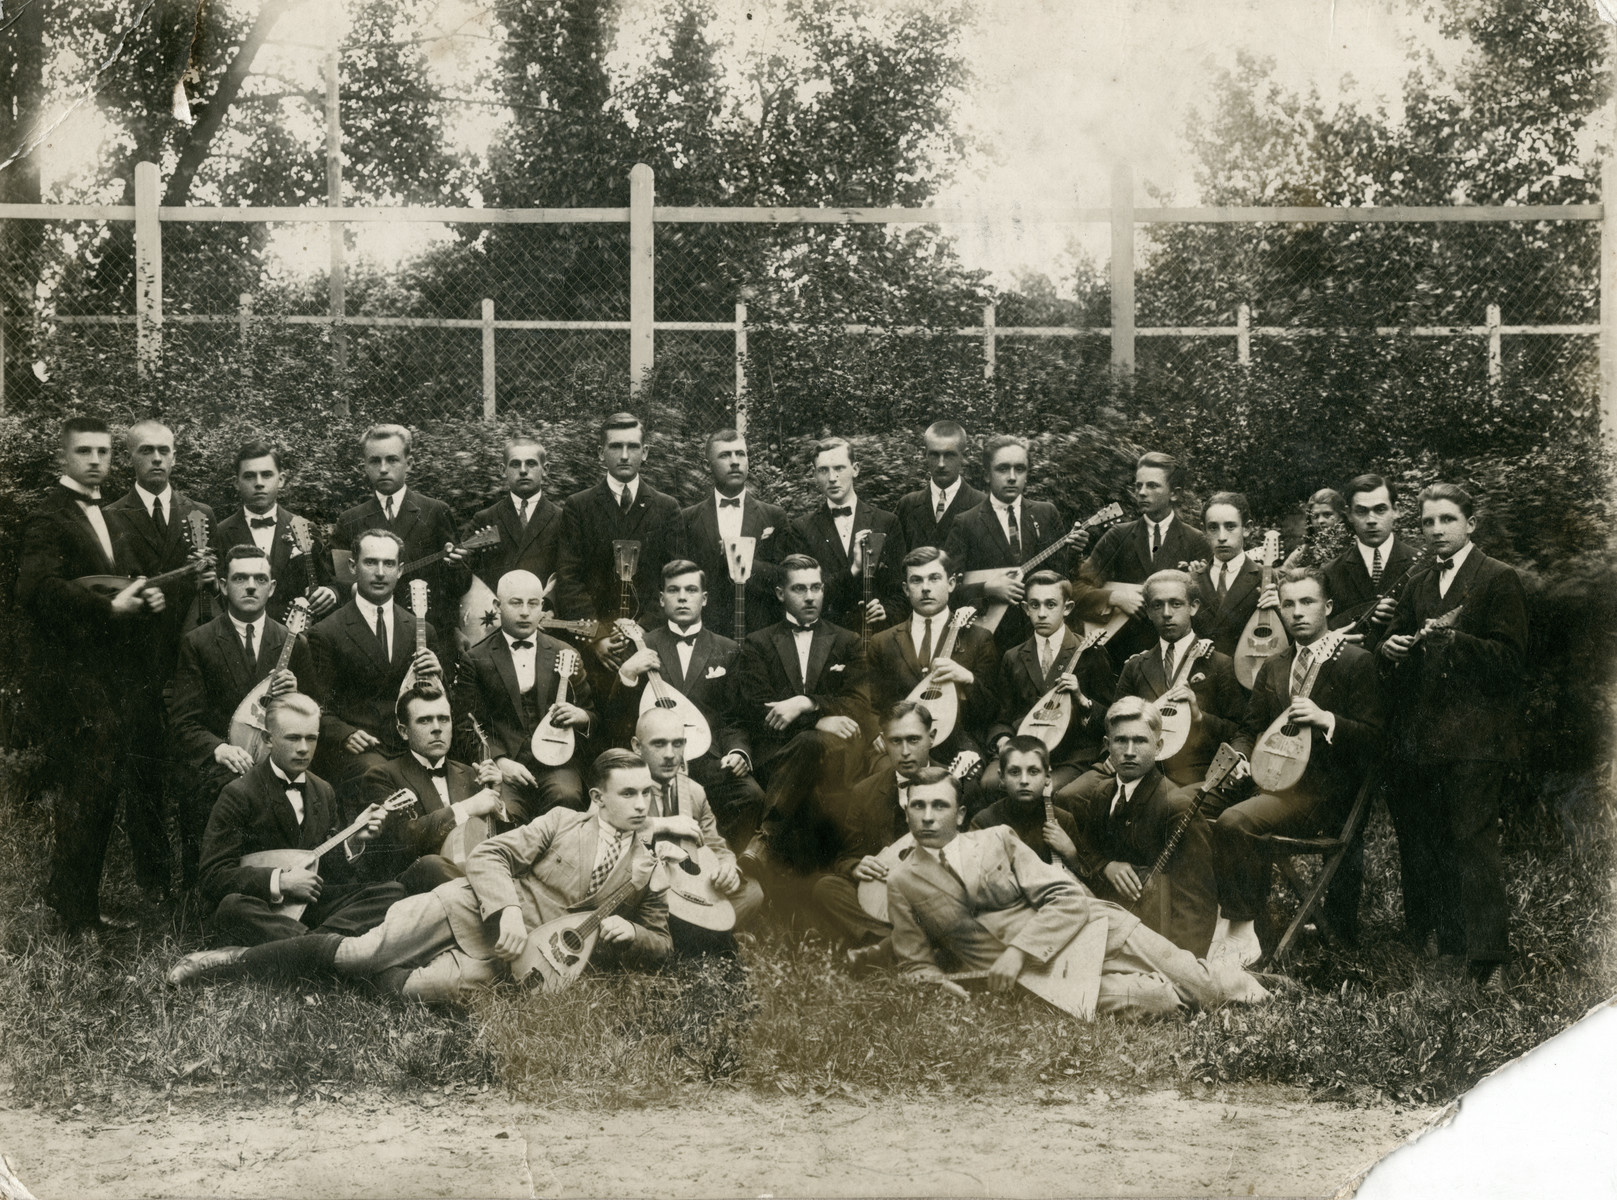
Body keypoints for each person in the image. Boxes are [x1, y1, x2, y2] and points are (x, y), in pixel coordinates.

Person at [169, 749, 671, 1002]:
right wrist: (509, 910)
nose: (640, 804)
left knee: (411, 991)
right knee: (358, 952)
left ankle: (331, 970)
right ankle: (229, 962)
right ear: (599, 798)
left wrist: (634, 934)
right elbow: (489, 856)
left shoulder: (651, 859)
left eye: (646, 794)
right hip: (468, 909)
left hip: (523, 963)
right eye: (628, 794)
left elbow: (662, 941)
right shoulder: (562, 821)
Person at [884, 768, 1274, 1016]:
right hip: (1047, 978)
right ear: (907, 813)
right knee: (1160, 1001)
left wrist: (1018, 951)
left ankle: (1251, 987)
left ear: (961, 813)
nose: (929, 816)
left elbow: (1067, 899)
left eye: (940, 805)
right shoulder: (902, 882)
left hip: (1096, 931)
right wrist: (938, 982)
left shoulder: (997, 840)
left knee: (1202, 986)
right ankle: (1192, 981)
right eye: (919, 806)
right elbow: (913, 961)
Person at [16, 416, 168, 935]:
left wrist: (147, 597)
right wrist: (109, 611)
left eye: (104, 451)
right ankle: (75, 910)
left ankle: (75, 897)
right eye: (85, 451)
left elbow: (118, 584)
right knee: (89, 785)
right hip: (68, 678)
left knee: (100, 788)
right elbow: (38, 592)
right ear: (64, 458)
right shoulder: (46, 518)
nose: (97, 460)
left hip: (109, 676)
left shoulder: (111, 515)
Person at [1380, 484, 1526, 990]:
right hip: (1422, 739)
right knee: (1429, 844)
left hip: (1476, 740)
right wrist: (1392, 647)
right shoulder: (1418, 582)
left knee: (1472, 843)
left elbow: (1511, 662)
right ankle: (1449, 947)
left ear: (1471, 523)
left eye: (1447, 519)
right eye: (1427, 522)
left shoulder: (1498, 578)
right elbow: (1389, 649)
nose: (1437, 530)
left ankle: (1492, 959)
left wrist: (1456, 642)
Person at [1217, 568, 1384, 963]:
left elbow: (1378, 741)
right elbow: (1250, 728)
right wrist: (1241, 756)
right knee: (1206, 809)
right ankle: (1250, 928)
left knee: (1234, 822)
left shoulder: (1355, 662)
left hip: (1326, 799)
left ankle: (1241, 936)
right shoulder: (1275, 665)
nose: (1297, 612)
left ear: (1327, 607)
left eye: (1307, 602)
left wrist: (1327, 719)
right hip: (1272, 786)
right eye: (1288, 604)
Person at [104, 417, 218, 902]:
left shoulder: (200, 513)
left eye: (164, 450)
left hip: (191, 665)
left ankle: (197, 878)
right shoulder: (111, 517)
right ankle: (155, 885)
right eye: (145, 450)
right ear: (129, 458)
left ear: (175, 456)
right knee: (144, 778)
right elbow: (115, 591)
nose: (156, 458)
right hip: (138, 667)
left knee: (196, 773)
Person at [195, 693, 403, 947]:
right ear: (268, 739)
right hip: (265, 908)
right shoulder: (238, 793)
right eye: (293, 738)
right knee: (232, 908)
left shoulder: (323, 790)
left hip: (306, 909)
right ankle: (324, 945)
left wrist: (354, 839)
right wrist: (279, 881)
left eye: (311, 738)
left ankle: (307, 946)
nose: (304, 748)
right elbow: (212, 876)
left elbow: (328, 870)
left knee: (391, 892)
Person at [168, 544, 316, 886]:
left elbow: (317, 712)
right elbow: (183, 720)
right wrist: (219, 749)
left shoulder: (293, 642)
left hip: (281, 757)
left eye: (259, 578)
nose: (250, 586)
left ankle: (286, 882)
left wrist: (297, 695)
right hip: (223, 761)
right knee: (228, 790)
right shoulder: (199, 642)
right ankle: (215, 888)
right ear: (222, 585)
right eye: (240, 578)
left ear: (273, 587)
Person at [609, 559, 764, 850]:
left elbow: (734, 718)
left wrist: (737, 751)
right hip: (653, 761)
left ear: (704, 599)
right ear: (661, 598)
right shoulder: (642, 644)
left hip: (709, 760)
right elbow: (618, 719)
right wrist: (628, 673)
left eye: (691, 590)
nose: (682, 597)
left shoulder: (727, 649)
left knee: (750, 796)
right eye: (674, 590)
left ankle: (723, 866)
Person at [736, 554, 874, 881]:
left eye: (816, 588)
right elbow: (756, 708)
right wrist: (819, 720)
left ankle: (766, 837)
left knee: (813, 749)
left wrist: (806, 703)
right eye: (799, 589)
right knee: (809, 748)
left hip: (835, 757)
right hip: (778, 756)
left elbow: (859, 705)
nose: (810, 596)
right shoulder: (759, 643)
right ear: (781, 593)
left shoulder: (847, 641)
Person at [1058, 698, 1219, 956]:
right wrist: (1107, 866)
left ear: (1159, 747)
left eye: (1141, 741)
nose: (1130, 750)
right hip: (1110, 934)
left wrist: (1181, 964)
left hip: (1158, 945)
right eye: (1121, 740)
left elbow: (1196, 903)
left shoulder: (1176, 807)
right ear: (1107, 746)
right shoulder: (1101, 793)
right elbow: (1090, 854)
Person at [306, 528, 451, 797]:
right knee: (385, 782)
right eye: (370, 562)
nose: (380, 572)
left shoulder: (421, 629)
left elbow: (439, 702)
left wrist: (437, 676)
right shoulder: (326, 632)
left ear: (400, 569)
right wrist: (345, 734)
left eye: (389, 563)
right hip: (361, 749)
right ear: (353, 566)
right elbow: (315, 708)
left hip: (412, 745)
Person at [810, 701, 951, 958]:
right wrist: (856, 866)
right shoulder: (864, 792)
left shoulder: (956, 786)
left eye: (913, 740)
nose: (905, 751)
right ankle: (892, 943)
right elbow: (845, 857)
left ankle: (881, 947)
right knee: (827, 887)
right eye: (896, 741)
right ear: (884, 742)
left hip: (933, 896)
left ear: (931, 738)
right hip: (881, 897)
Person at [455, 569, 596, 818]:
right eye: (515, 603)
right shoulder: (476, 659)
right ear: (498, 606)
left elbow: (592, 716)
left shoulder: (565, 653)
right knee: (503, 813)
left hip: (557, 763)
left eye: (533, 604)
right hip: (505, 763)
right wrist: (499, 761)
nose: (524, 612)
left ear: (542, 606)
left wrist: (580, 716)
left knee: (567, 799)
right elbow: (465, 725)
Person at [553, 412, 682, 671]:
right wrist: (596, 635)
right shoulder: (579, 506)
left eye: (632, 447)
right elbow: (569, 577)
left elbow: (674, 578)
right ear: (601, 453)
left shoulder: (667, 508)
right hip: (594, 646)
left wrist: (643, 631)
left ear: (645, 452)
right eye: (615, 446)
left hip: (650, 642)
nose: (624, 455)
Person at [630, 707, 764, 954]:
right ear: (637, 747)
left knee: (752, 892)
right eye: (659, 744)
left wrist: (728, 868)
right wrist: (663, 824)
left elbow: (715, 845)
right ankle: (712, 940)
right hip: (645, 890)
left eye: (677, 744)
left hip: (686, 892)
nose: (671, 755)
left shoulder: (694, 792)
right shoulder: (624, 784)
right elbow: (604, 832)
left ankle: (686, 940)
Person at [944, 434, 1085, 656]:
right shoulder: (966, 522)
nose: (1012, 477)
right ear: (987, 474)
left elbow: (1064, 578)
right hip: (990, 642)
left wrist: (1075, 551)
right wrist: (986, 590)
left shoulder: (1046, 513)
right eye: (1003, 469)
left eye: (1020, 469)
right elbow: (947, 590)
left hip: (1040, 637)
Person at [358, 685, 507, 894]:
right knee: (432, 865)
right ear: (403, 731)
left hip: (474, 877)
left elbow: (501, 845)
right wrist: (466, 808)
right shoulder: (382, 776)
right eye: (425, 720)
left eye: (444, 719)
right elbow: (401, 840)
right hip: (418, 888)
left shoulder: (472, 774)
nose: (437, 728)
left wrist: (497, 798)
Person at [1072, 451, 1212, 669]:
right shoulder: (1118, 535)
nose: (1142, 493)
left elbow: (1207, 609)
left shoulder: (1196, 541)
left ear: (1174, 494)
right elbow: (1077, 589)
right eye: (1138, 486)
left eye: (1152, 486)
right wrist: (1115, 597)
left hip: (1175, 659)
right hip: (1119, 656)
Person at [331, 424, 470, 641]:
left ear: (409, 463)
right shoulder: (350, 520)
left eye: (392, 459)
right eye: (375, 461)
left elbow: (459, 585)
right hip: (368, 634)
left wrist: (456, 565)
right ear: (365, 466)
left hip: (427, 632)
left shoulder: (434, 511)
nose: (383, 468)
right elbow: (340, 582)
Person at [982, 571, 1114, 797]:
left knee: (1050, 791)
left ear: (1068, 608)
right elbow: (1001, 716)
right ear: (1025, 609)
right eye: (1035, 605)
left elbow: (1110, 716)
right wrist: (1003, 739)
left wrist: (1082, 699)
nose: (1041, 613)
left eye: (1051, 605)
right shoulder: (1013, 657)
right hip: (1023, 750)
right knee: (990, 783)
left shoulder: (1090, 652)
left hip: (1070, 756)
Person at [1110, 569, 1244, 787]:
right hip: (1139, 769)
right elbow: (1114, 723)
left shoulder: (1220, 663)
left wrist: (1199, 717)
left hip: (1193, 774)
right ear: (1149, 612)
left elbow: (1238, 730)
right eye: (1157, 605)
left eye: (1176, 604)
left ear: (1193, 607)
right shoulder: (1136, 665)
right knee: (1074, 795)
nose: (1166, 613)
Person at [866, 546, 1001, 762]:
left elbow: (993, 709)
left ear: (951, 584)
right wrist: (877, 733)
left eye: (934, 578)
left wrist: (968, 679)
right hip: (899, 748)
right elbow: (870, 704)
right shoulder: (882, 642)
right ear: (905, 589)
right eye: (916, 580)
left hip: (958, 747)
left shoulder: (978, 638)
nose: (925, 588)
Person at [670, 428, 789, 638]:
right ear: (708, 466)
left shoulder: (774, 516)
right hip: (706, 634)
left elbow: (785, 579)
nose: (735, 462)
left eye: (740, 454)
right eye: (725, 455)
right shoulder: (688, 518)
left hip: (761, 634)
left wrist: (742, 560)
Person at [211, 439, 338, 625]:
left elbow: (329, 581)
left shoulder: (305, 528)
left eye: (267, 475)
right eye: (249, 476)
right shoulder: (220, 534)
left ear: (281, 479)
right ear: (236, 482)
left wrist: (331, 593)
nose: (259, 483)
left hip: (296, 637)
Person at [784, 436, 903, 633]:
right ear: (815, 475)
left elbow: (900, 592)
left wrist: (886, 612)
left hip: (872, 637)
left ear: (855, 469)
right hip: (824, 638)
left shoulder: (886, 522)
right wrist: (854, 570)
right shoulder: (801, 528)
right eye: (823, 470)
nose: (832, 478)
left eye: (839, 468)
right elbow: (802, 595)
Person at [1323, 473, 1416, 647]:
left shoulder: (1420, 565)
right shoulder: (1330, 572)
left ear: (1396, 510)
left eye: (1380, 510)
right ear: (1349, 514)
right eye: (1362, 511)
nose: (1371, 520)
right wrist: (1330, 638)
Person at [969, 736, 1085, 874]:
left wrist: (1071, 855)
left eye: (1033, 772)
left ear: (1047, 777)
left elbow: (1082, 882)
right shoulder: (984, 822)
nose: (1024, 780)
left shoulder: (1063, 820)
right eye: (1015, 772)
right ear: (1002, 778)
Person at [469, 434, 563, 598]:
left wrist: (548, 606)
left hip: (544, 614)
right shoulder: (485, 519)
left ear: (545, 469)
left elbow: (568, 574)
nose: (523, 470)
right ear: (502, 470)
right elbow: (469, 574)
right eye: (515, 464)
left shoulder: (561, 519)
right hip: (497, 616)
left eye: (531, 463)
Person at [1192, 492, 1267, 658]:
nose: (1221, 537)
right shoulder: (1192, 581)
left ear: (1247, 528)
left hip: (1247, 674)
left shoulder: (1266, 578)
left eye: (1230, 526)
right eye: (1213, 527)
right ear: (1204, 530)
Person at [894, 420, 985, 550]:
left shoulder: (981, 505)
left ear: (963, 456)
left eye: (949, 455)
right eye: (934, 455)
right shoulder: (907, 505)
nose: (941, 464)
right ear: (925, 455)